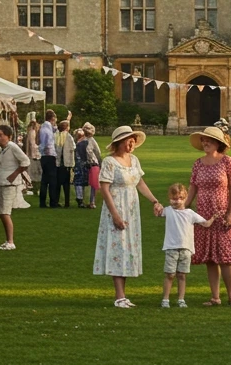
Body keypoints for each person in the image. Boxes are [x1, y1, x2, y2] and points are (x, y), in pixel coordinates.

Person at [95, 126, 162, 307]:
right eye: (128, 140)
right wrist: (115, 215)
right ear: (119, 142)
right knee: (118, 249)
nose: (131, 144)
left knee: (126, 250)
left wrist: (154, 201)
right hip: (116, 208)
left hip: (132, 210)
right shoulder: (109, 162)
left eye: (133, 140)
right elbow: (105, 189)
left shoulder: (134, 160)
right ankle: (119, 296)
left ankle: (123, 295)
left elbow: (139, 182)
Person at [187, 126, 231, 306]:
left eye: (209, 140)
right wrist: (183, 208)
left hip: (222, 214)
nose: (205, 142)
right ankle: (215, 297)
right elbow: (192, 188)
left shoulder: (227, 162)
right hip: (203, 216)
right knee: (210, 258)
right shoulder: (197, 163)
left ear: (218, 143)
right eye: (203, 140)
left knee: (225, 257)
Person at [160, 183, 211, 308]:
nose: (177, 201)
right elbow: (158, 212)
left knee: (182, 275)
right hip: (171, 248)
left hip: (186, 249)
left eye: (180, 198)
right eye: (174, 198)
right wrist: (156, 205)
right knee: (170, 274)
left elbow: (206, 223)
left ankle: (181, 299)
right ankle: (165, 299)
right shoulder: (168, 211)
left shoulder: (190, 213)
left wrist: (215, 217)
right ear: (169, 198)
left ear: (186, 198)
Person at [0, 124, 30, 249]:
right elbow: (0, 164)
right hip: (1, 181)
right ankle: (7, 240)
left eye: (1, 135)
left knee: (5, 212)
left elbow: (25, 161)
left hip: (9, 184)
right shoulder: (1, 149)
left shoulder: (12, 147)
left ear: (9, 136)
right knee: (1, 212)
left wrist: (15, 173)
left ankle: (11, 241)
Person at [38, 109, 59, 207]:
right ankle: (53, 202)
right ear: (52, 118)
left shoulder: (43, 127)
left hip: (43, 156)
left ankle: (42, 202)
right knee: (52, 180)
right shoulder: (48, 129)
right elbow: (47, 142)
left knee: (44, 180)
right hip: (49, 155)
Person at [82, 123, 102, 210]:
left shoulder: (91, 141)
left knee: (92, 183)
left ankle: (91, 201)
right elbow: (98, 153)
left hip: (91, 164)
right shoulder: (83, 140)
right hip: (87, 164)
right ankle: (87, 201)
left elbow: (97, 153)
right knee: (87, 183)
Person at [56, 119, 75, 208]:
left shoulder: (57, 136)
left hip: (58, 163)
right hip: (66, 163)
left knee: (58, 184)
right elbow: (73, 147)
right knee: (66, 184)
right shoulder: (68, 136)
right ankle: (67, 202)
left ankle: (56, 201)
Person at [72, 127, 91, 207]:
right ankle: (80, 199)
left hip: (77, 164)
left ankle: (80, 198)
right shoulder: (84, 143)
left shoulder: (77, 144)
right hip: (82, 165)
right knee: (81, 182)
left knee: (79, 182)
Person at [23, 119, 42, 192]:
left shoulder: (31, 132)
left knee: (35, 172)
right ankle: (36, 188)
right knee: (36, 172)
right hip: (34, 155)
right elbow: (32, 144)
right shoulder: (33, 132)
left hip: (33, 155)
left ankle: (36, 188)